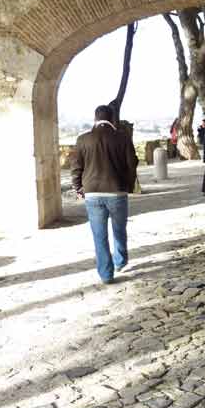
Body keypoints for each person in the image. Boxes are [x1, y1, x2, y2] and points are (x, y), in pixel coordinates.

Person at [70, 104, 138, 285]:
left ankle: (106, 274)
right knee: (119, 230)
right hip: (117, 191)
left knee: (99, 235)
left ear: (95, 118)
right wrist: (128, 186)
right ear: (112, 119)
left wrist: (78, 188)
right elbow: (132, 163)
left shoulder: (83, 140)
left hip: (92, 193)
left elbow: (76, 166)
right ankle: (120, 261)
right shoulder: (122, 138)